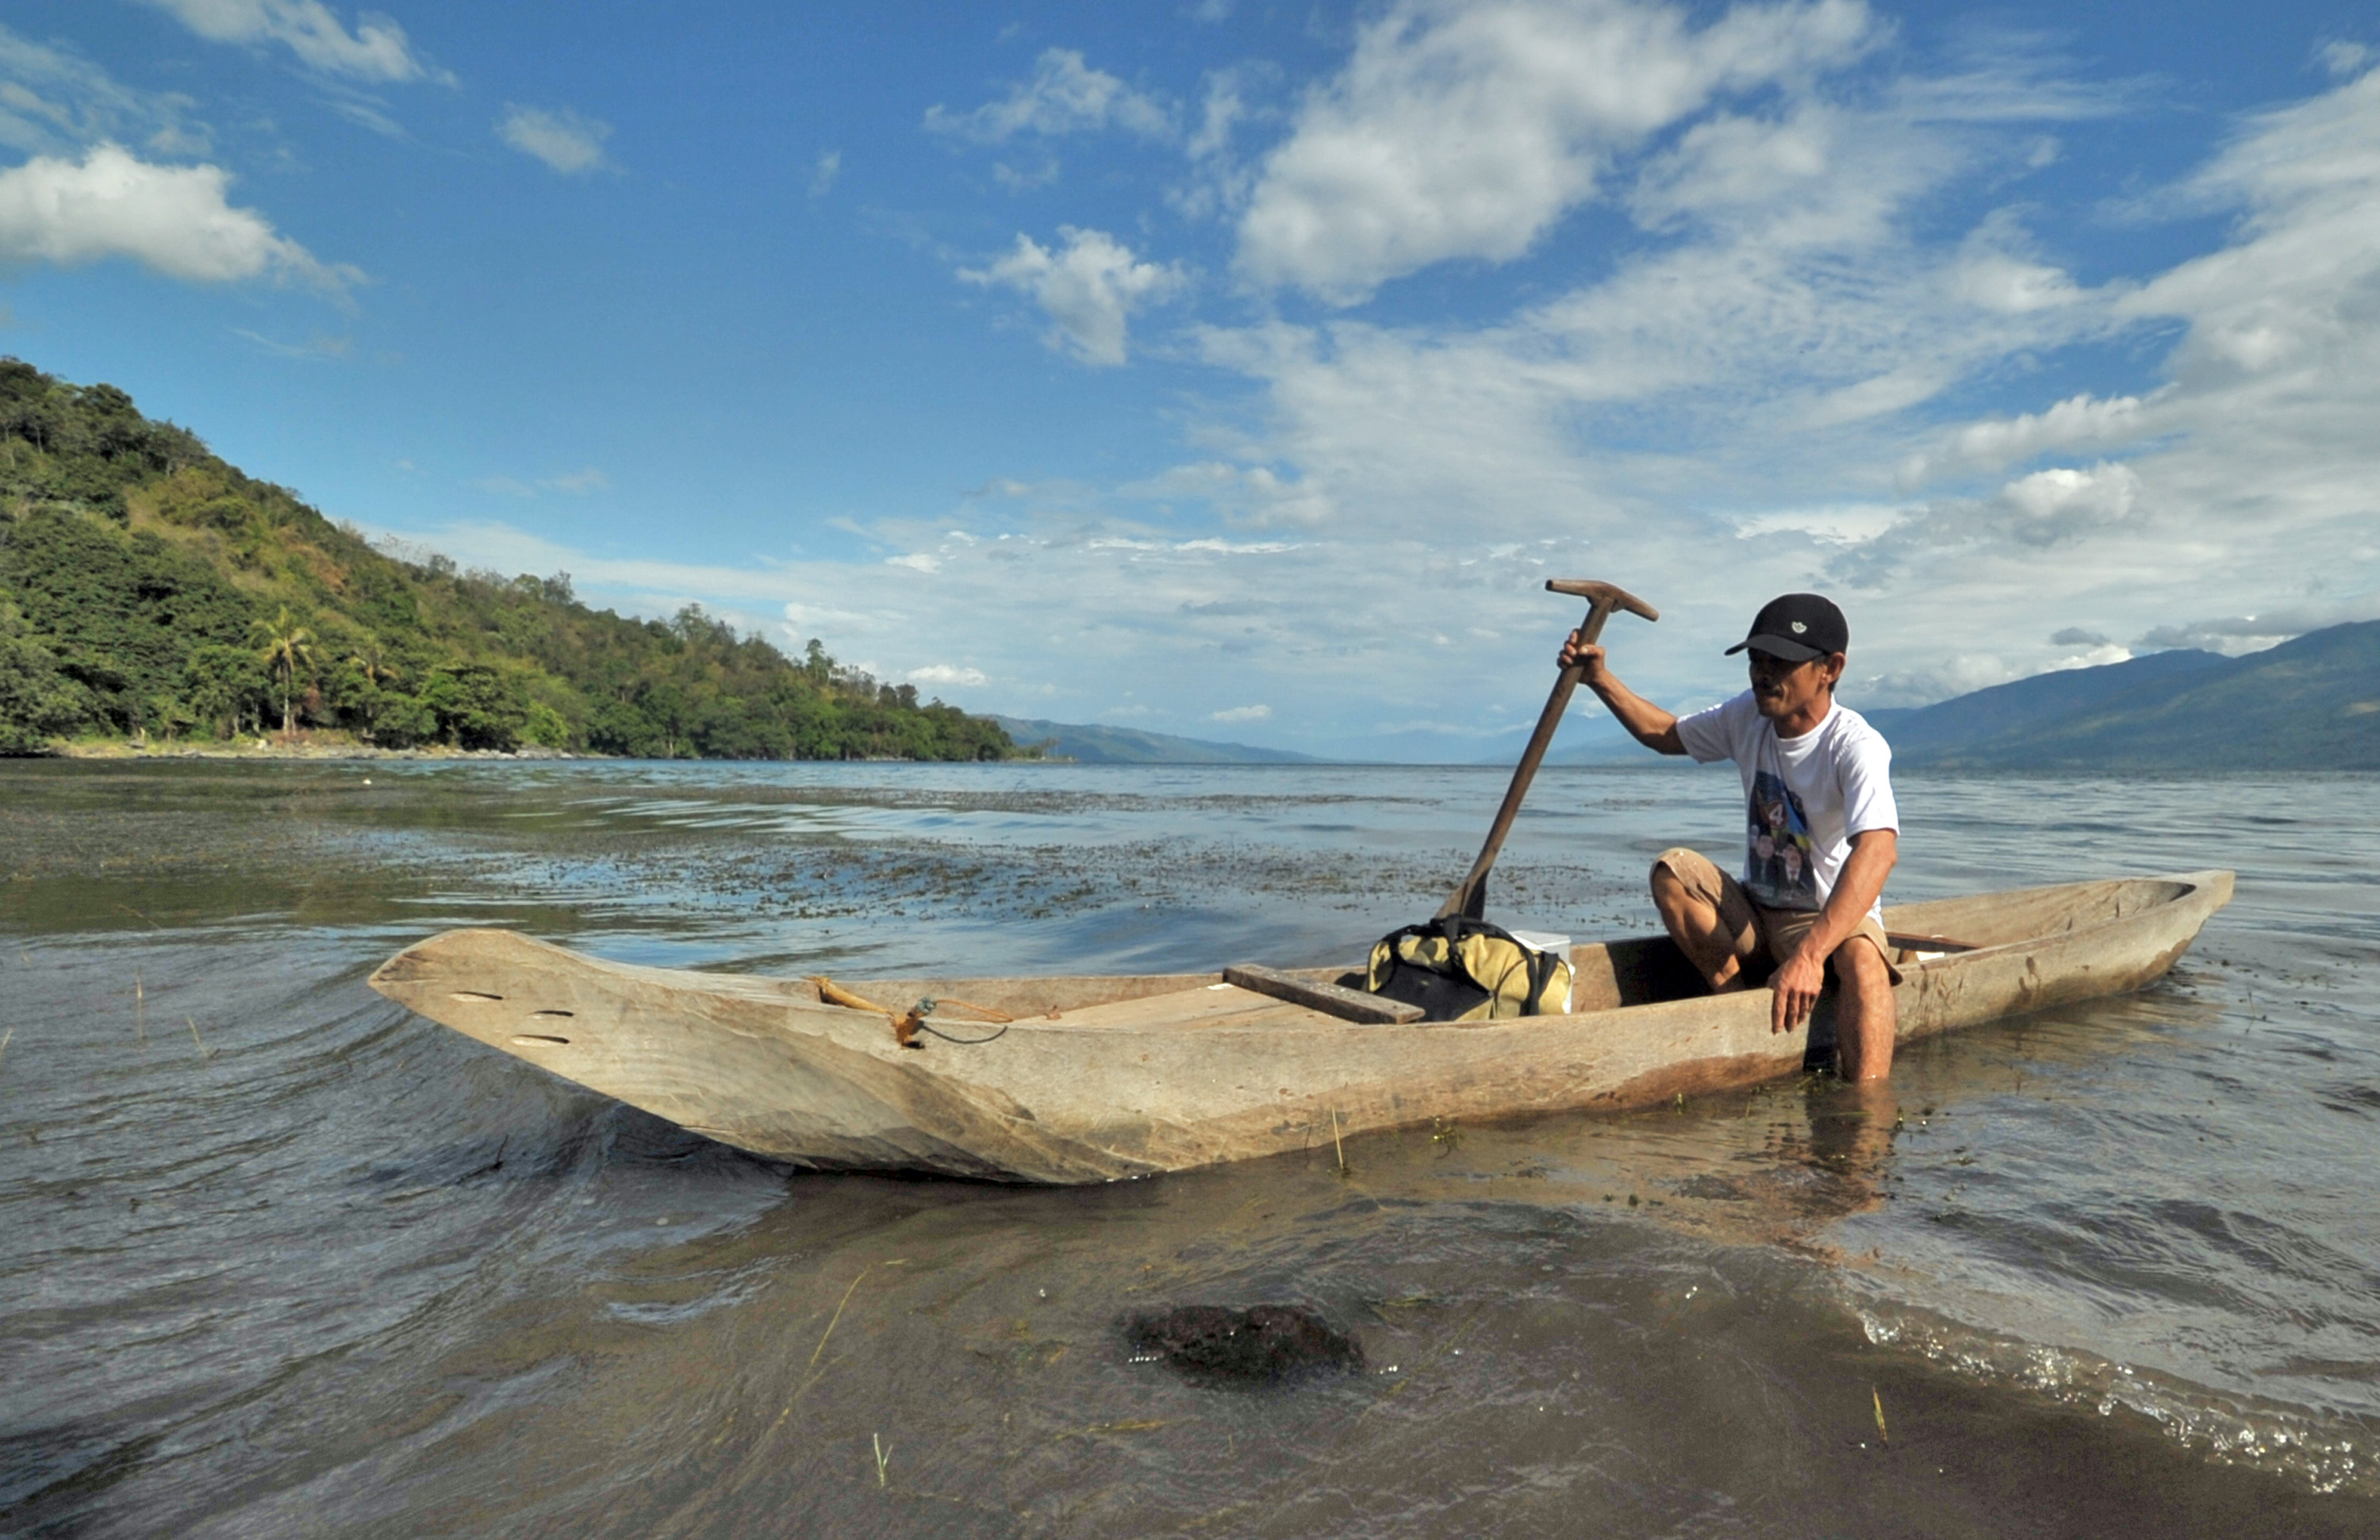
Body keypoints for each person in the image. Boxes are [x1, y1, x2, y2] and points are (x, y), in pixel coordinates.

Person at [1559, 593, 1902, 1080]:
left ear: (1831, 668)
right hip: (1758, 915)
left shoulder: (1854, 745)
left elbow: (1878, 850)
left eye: (1780, 664)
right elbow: (1665, 734)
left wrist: (1809, 956)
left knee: (1866, 965)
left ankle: (1866, 1122)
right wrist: (1599, 681)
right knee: (1673, 871)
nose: (1763, 674)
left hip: (1827, 922)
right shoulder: (1748, 716)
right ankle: (1736, 1011)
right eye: (1757, 661)